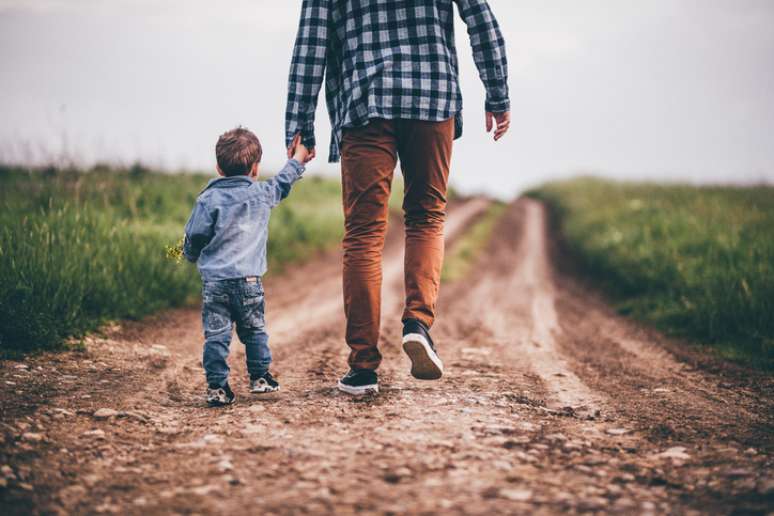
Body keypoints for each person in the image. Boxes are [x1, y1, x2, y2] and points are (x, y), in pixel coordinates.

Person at [285, 0, 511, 395]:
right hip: (431, 95)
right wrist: (497, 93)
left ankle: (363, 366)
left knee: (363, 234)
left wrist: (300, 122)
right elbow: (480, 17)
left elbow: (311, 42)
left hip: (365, 100)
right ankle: (417, 324)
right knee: (426, 216)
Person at [183, 128, 310, 406]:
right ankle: (260, 377)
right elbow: (284, 181)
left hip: (215, 284)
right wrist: (299, 158)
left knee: (216, 336)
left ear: (218, 167)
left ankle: (217, 388)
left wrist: (187, 254)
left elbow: (194, 237)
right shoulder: (262, 194)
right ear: (255, 168)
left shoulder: (207, 199)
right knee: (254, 331)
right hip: (249, 282)